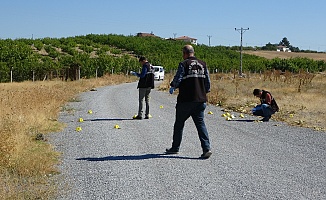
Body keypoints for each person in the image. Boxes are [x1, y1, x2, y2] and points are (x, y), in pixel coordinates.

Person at [166, 45, 212, 159]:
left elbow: (178, 78)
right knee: (200, 124)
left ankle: (175, 148)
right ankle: (206, 148)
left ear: (185, 53)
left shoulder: (184, 64)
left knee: (179, 124)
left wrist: (173, 86)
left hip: (185, 100)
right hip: (200, 100)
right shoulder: (203, 64)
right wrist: (203, 92)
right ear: (193, 52)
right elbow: (208, 83)